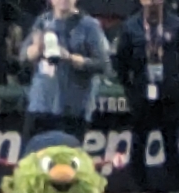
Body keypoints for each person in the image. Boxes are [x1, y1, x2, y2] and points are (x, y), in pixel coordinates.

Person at [114, 0, 179, 193]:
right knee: (138, 143)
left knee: (172, 143)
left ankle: (176, 191)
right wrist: (130, 89)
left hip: (169, 94)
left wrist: (178, 83)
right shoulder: (131, 26)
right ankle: (139, 192)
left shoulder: (176, 24)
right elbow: (121, 61)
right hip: (141, 93)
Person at [20, 0, 111, 142]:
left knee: (67, 160)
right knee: (31, 159)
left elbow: (102, 64)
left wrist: (70, 58)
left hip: (73, 109)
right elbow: (23, 57)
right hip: (41, 105)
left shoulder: (89, 25)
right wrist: (38, 47)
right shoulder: (43, 21)